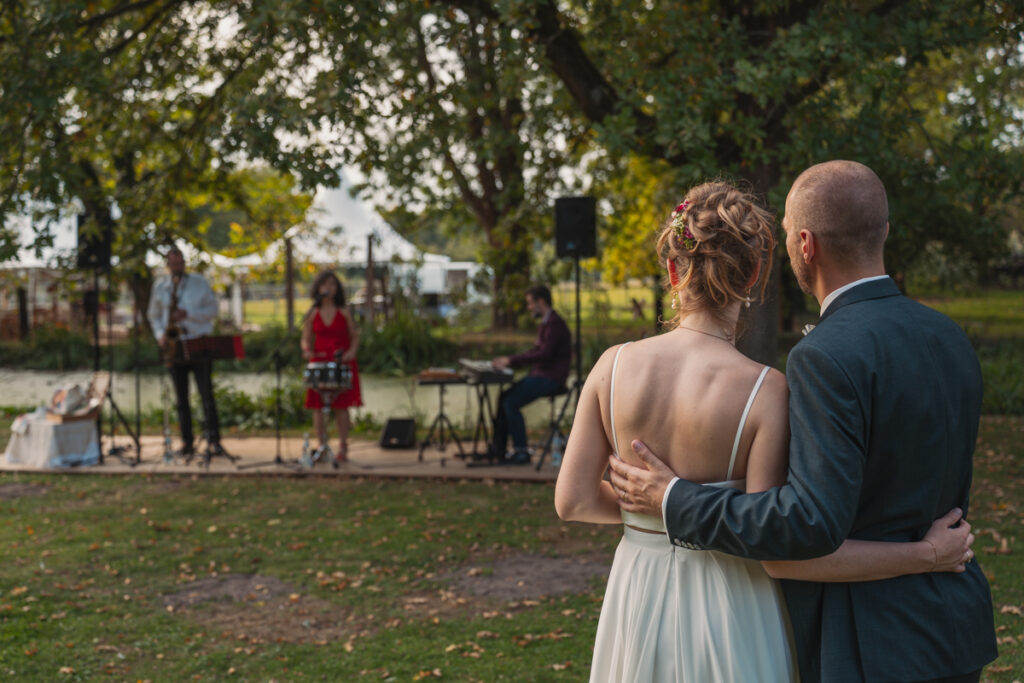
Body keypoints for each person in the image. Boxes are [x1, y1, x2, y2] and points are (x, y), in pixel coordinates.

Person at [607, 164, 998, 682]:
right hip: (955, 631)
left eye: (788, 231)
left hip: (870, 643)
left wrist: (674, 499)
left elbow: (807, 524)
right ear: (882, 231)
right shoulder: (948, 336)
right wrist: (930, 552)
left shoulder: (824, 356)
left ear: (806, 245)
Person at [147, 246, 223, 459]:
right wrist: (161, 334)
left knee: (206, 394)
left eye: (179, 263)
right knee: (181, 399)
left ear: (184, 262)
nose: (176, 267)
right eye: (172, 264)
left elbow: (213, 311)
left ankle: (214, 439)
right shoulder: (160, 286)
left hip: (198, 342)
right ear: (167, 264)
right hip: (175, 346)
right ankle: (187, 442)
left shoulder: (200, 283)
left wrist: (188, 315)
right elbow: (153, 315)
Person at [490, 284, 572, 465]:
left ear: (540, 302)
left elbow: (544, 354)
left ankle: (521, 452)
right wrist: (511, 360)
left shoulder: (555, 324)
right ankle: (499, 449)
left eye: (529, 303)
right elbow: (537, 351)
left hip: (551, 378)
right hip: (540, 374)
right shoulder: (546, 323)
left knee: (511, 401)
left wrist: (511, 361)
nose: (528, 308)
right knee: (504, 396)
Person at [301, 271, 362, 463]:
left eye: (333, 285)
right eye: (325, 284)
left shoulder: (344, 312)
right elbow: (305, 338)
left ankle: (343, 446)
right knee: (318, 406)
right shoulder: (313, 313)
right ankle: (322, 445)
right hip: (319, 362)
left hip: (340, 361)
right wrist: (306, 350)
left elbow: (355, 336)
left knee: (341, 405)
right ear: (318, 288)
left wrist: (351, 352)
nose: (329, 288)